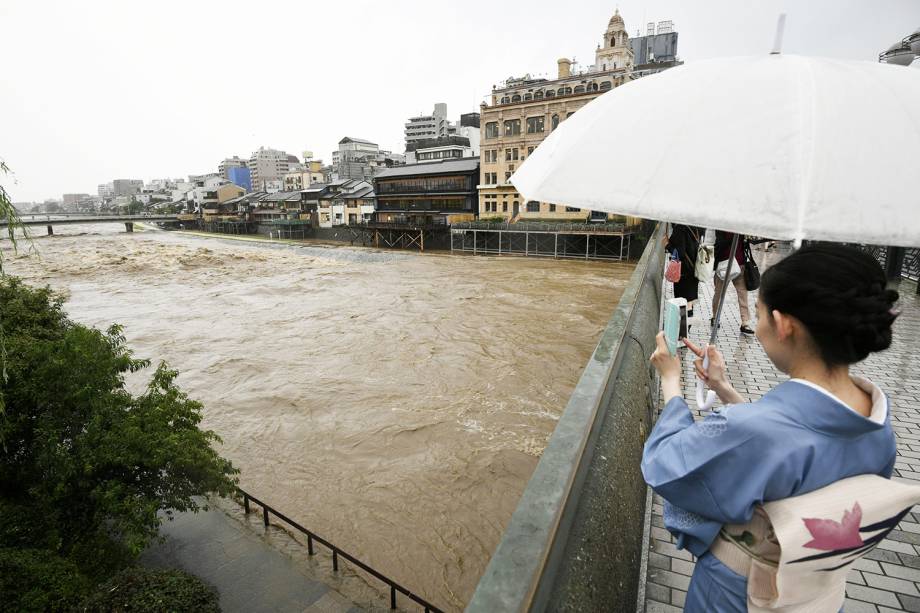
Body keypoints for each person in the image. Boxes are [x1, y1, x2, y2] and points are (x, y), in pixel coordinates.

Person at [642, 244, 899, 612]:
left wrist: (671, 380)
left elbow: (667, 464)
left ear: (783, 325)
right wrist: (724, 388)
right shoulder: (877, 422)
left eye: (759, 313)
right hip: (821, 596)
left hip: (738, 595)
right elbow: (789, 442)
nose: (759, 326)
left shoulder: (751, 431)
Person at [712, 231, 754, 335]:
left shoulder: (742, 227)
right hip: (724, 265)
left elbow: (750, 242)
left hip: (740, 265)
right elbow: (719, 244)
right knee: (718, 293)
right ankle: (714, 316)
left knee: (743, 295)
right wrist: (733, 236)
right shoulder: (722, 227)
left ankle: (745, 322)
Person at [665, 224, 704, 320]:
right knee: (689, 302)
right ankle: (685, 328)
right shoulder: (697, 227)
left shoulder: (680, 228)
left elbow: (679, 253)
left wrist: (667, 245)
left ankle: (683, 329)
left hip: (683, 272)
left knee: (682, 302)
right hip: (694, 269)